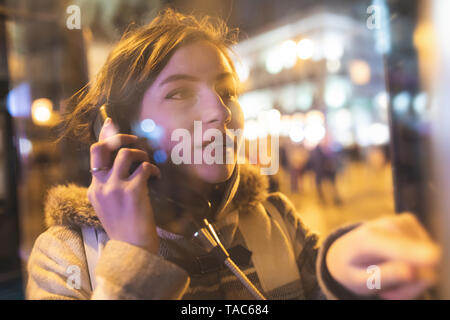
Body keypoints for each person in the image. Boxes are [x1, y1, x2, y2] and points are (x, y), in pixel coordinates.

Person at [26, 9, 440, 300]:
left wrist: (342, 269)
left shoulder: (274, 221)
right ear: (118, 132)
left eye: (227, 92)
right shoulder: (66, 256)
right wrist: (132, 259)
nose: (220, 112)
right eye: (180, 92)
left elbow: (322, 283)